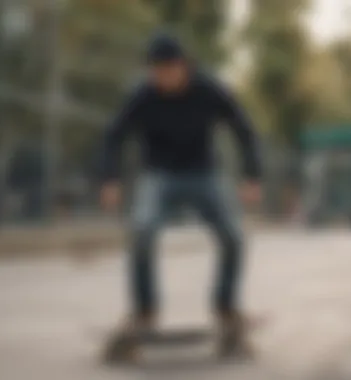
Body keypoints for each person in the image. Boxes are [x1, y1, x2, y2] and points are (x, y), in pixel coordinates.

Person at [100, 33, 263, 360]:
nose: (163, 78)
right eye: (156, 72)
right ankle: (145, 310)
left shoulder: (209, 90)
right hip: (158, 175)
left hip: (203, 173)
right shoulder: (142, 95)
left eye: (169, 70)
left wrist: (251, 174)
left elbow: (243, 128)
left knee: (233, 235)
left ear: (185, 67)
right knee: (142, 229)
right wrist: (110, 178)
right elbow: (113, 136)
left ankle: (226, 307)